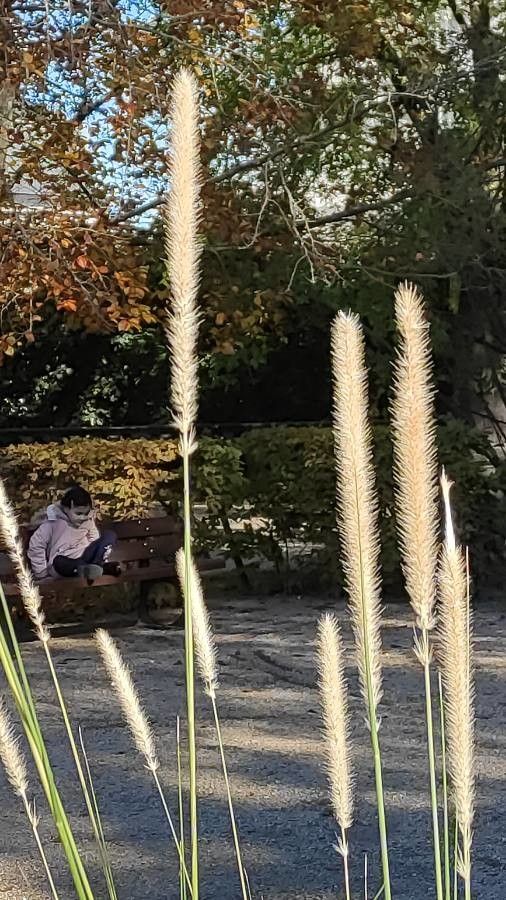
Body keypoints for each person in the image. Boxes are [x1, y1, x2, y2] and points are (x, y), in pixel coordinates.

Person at [27, 485, 121, 583]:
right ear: (66, 508)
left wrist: (96, 555)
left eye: (86, 513)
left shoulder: (88, 521)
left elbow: (95, 540)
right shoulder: (52, 523)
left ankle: (96, 567)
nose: (83, 517)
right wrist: (41, 572)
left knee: (110, 535)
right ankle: (92, 570)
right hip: (65, 564)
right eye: (78, 513)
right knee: (59, 561)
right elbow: (36, 545)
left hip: (85, 558)